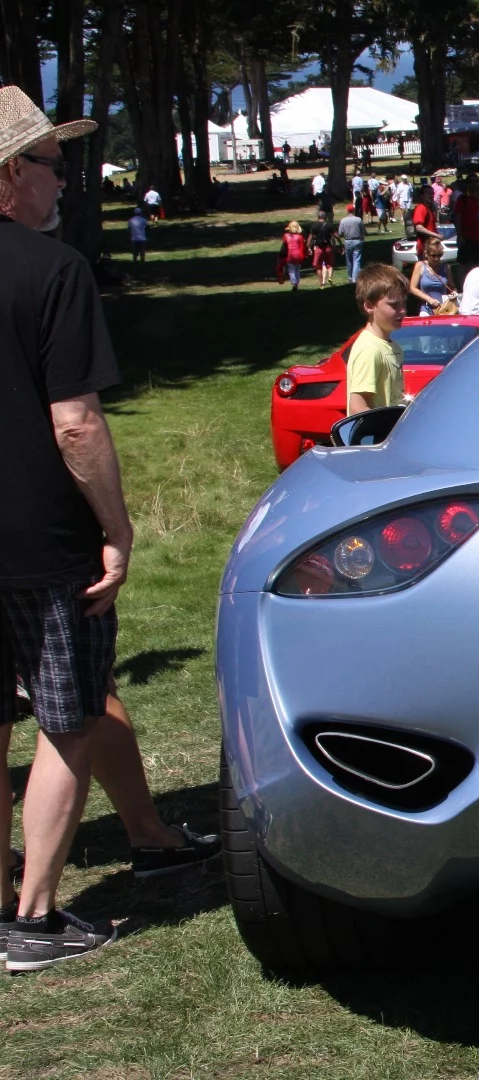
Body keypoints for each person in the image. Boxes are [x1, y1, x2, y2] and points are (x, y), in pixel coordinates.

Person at [0, 87, 149, 971]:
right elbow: (76, 424)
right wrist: (117, 529)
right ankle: (35, 918)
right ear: (14, 173)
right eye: (56, 165)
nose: (66, 181)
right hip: (40, 538)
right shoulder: (51, 271)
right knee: (66, 720)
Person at [346, 264, 410, 415]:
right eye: (394, 305)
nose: (403, 310)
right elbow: (358, 408)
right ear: (369, 306)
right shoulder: (369, 350)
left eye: (403, 303)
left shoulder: (391, 346)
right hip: (377, 438)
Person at [409, 238, 454, 316]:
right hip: (426, 308)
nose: (436, 258)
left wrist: (453, 293)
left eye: (439, 255)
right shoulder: (420, 266)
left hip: (444, 309)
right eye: (433, 255)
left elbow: (452, 287)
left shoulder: (446, 267)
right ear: (426, 254)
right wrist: (429, 299)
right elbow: (412, 288)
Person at [337, 202, 365, 282]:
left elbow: (340, 233)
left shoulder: (343, 221)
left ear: (347, 211)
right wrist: (362, 238)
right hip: (357, 240)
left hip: (348, 241)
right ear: (353, 211)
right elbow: (363, 230)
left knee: (349, 260)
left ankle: (350, 276)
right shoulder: (358, 220)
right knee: (357, 259)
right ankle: (354, 278)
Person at [309, 209, 336, 288]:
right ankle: (330, 277)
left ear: (318, 216)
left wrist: (308, 248)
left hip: (319, 248)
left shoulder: (314, 225)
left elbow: (310, 238)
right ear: (325, 216)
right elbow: (334, 236)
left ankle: (321, 283)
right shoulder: (329, 225)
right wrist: (336, 245)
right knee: (330, 264)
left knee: (318, 266)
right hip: (328, 247)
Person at [281, 220, 306, 290]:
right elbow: (303, 247)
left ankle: (294, 283)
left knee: (291, 271)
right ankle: (297, 284)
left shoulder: (286, 236)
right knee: (297, 270)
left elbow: (284, 246)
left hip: (290, 256)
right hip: (299, 256)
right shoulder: (300, 237)